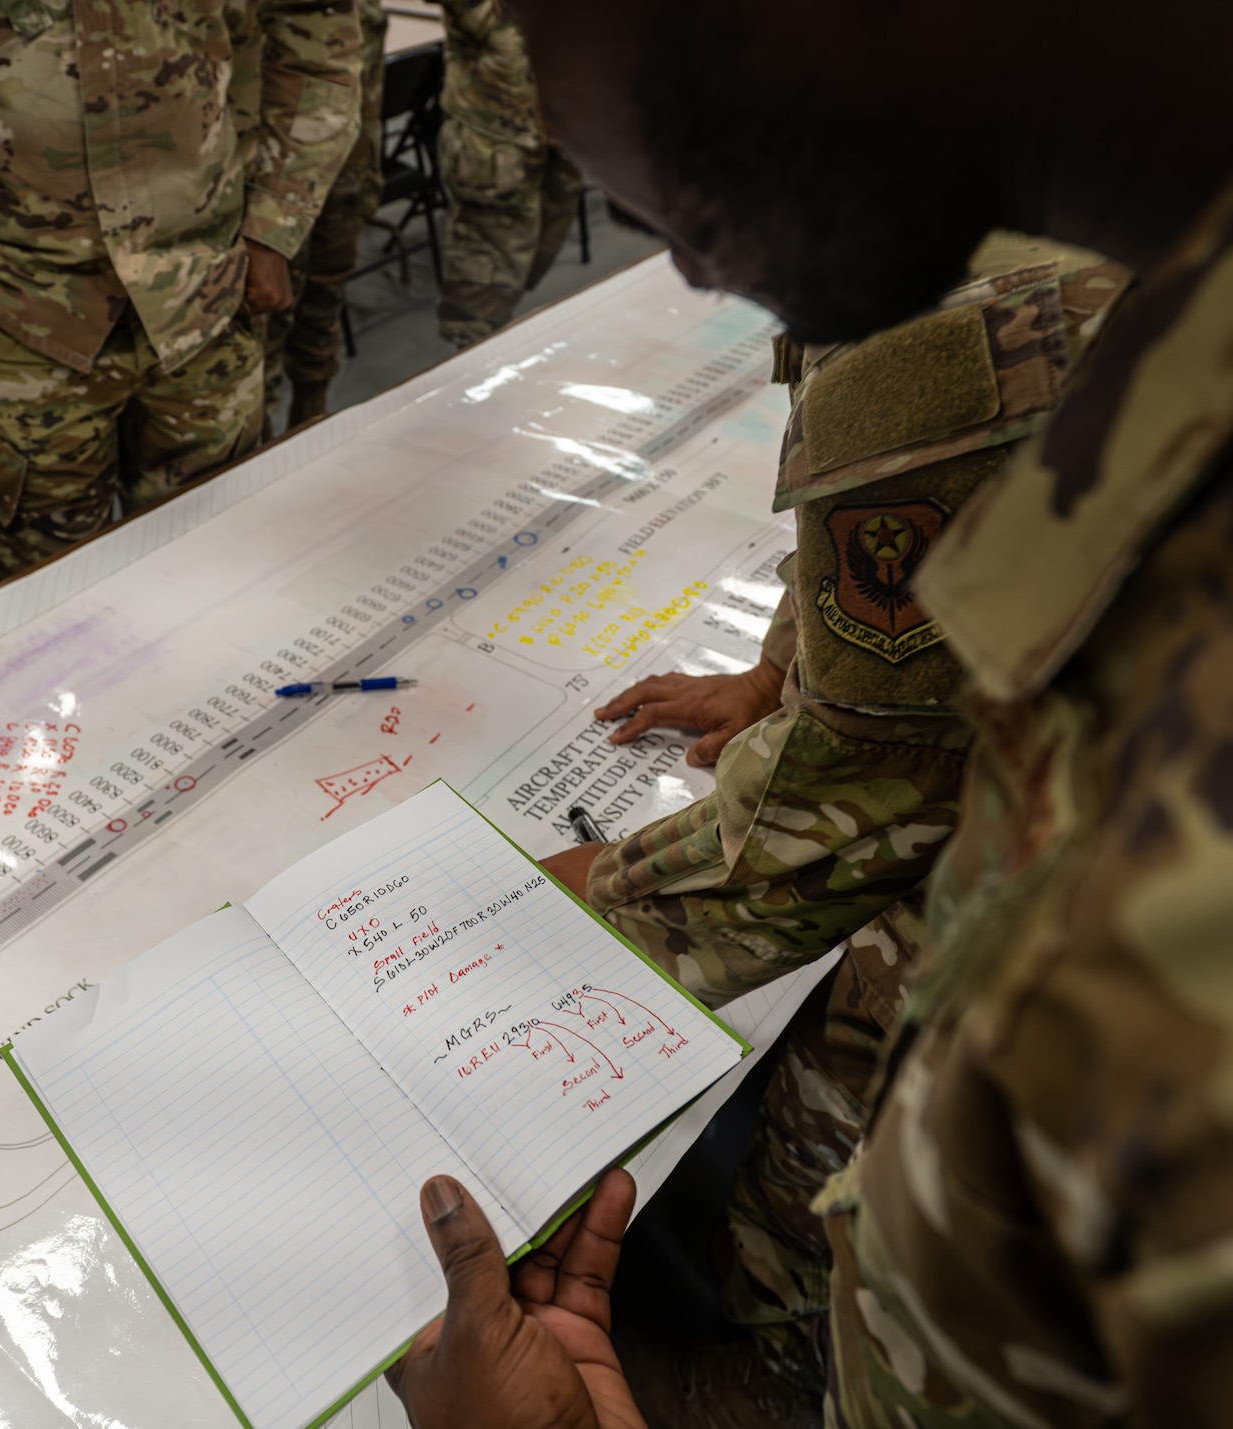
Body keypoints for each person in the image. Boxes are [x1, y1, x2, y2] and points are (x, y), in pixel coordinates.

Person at [385, 0, 1233, 1424]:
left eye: (561, 37)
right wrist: (798, 663)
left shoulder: (1146, 937)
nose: (680, 254)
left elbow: (839, 821)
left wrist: (538, 914)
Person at [539, 233, 1128, 1424]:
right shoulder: (1009, 206)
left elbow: (838, 823)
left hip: (1123, 854)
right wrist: (779, 674)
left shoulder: (930, 337)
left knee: (886, 1047)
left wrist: (586, 897)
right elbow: (933, 543)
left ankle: (785, 1364)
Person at [0, 0, 364, 576]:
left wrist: (275, 221)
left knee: (217, 580)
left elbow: (318, 23)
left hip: (206, 300)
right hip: (20, 317)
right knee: (50, 623)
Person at [262, 0, 390, 433]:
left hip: (345, 170)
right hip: (274, 175)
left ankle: (311, 414)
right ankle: (257, 443)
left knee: (325, 296)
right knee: (265, 320)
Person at [433, 0, 586, 348]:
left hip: (556, 132)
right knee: (481, 290)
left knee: (531, 254)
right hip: (494, 145)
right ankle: (468, 368)